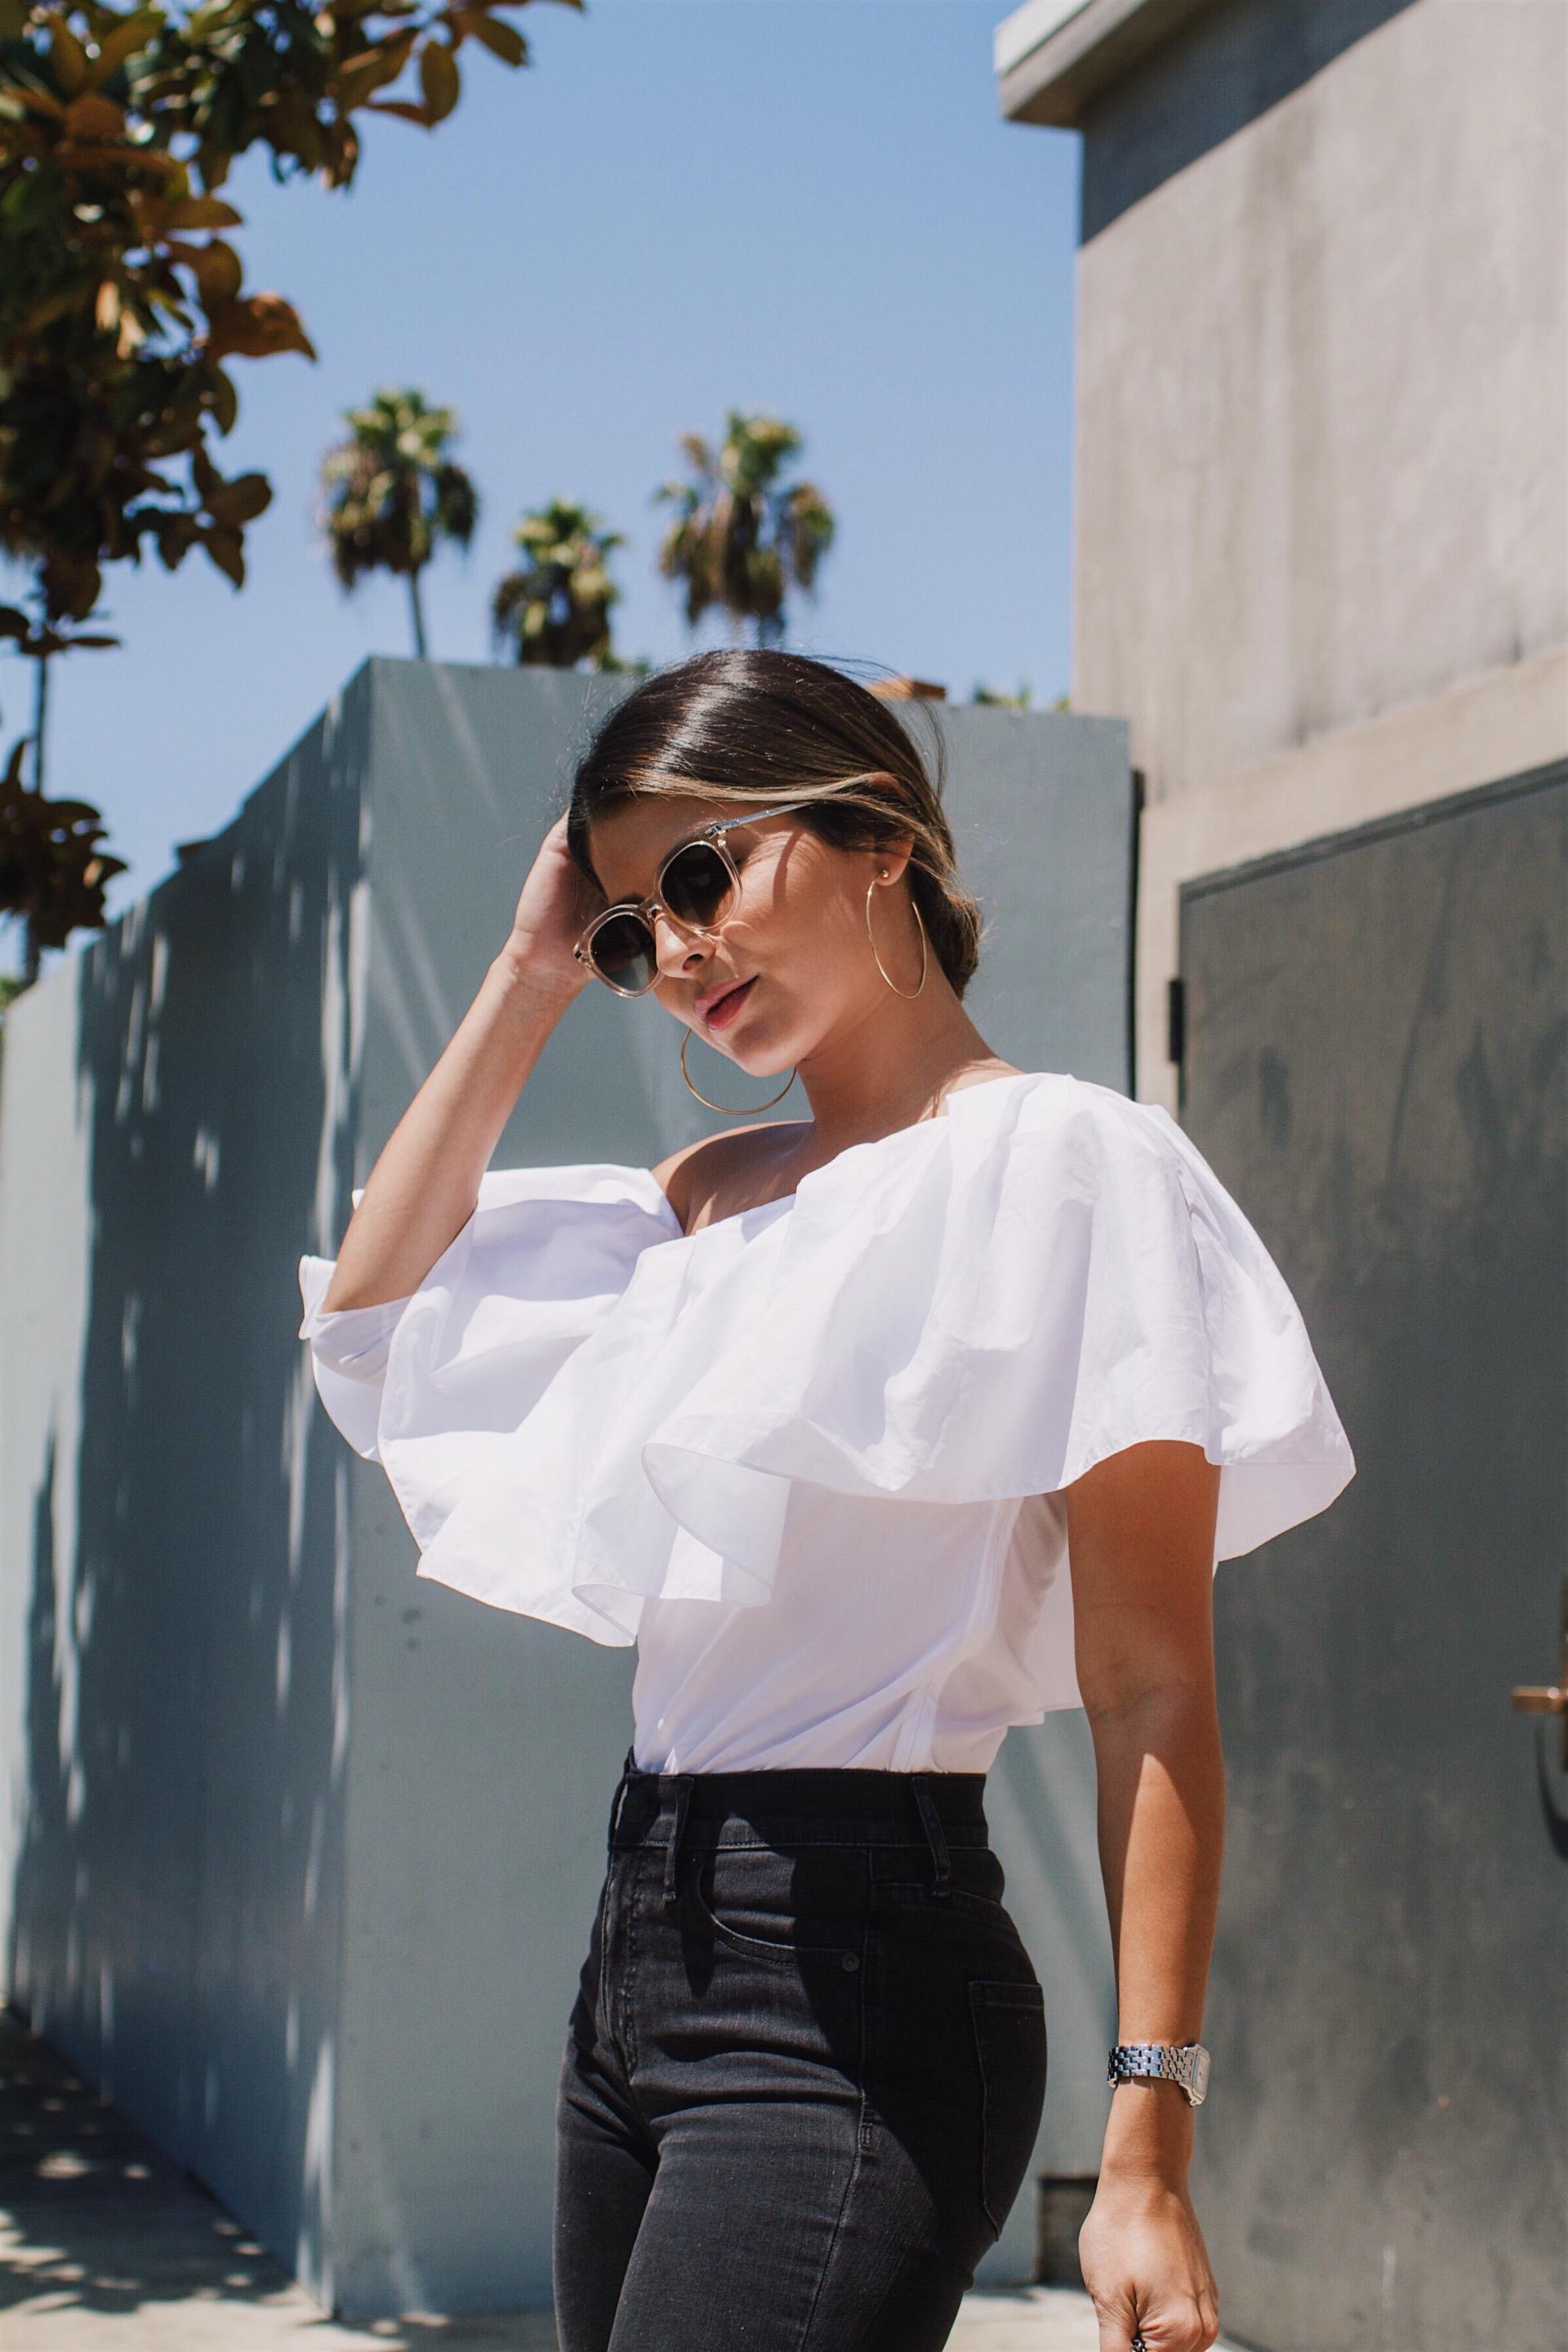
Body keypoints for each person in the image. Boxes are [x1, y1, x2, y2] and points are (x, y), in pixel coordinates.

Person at [297, 648, 1354, 2352]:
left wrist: (1147, 2142)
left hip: (859, 1983)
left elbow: (1154, 1685)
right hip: (637, 1961)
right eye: (640, 924)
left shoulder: (1070, 1163)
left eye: (706, 872)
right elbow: (371, 1321)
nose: (682, 947)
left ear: (878, 833)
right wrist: (530, 968)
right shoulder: (708, 1200)